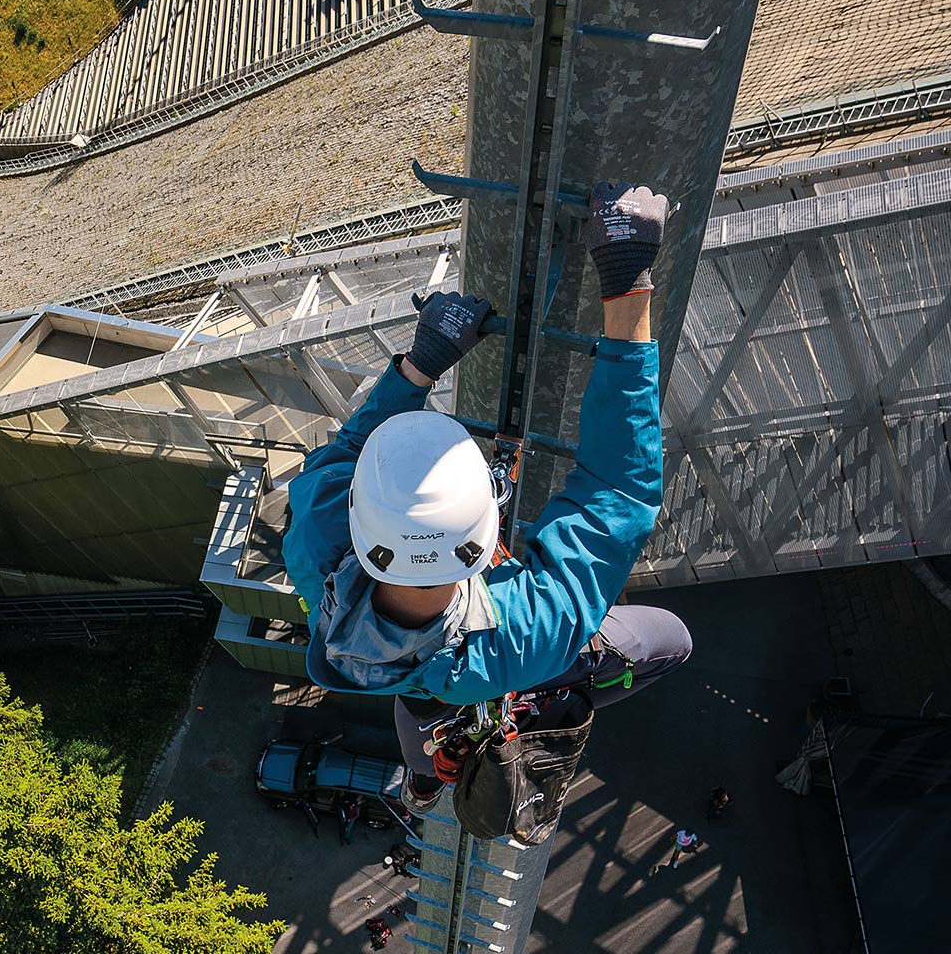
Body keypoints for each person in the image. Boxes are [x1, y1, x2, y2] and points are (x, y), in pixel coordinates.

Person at [284, 181, 693, 810]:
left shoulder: (319, 537)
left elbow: (617, 490)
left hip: (439, 680)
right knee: (672, 640)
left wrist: (626, 277)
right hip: (490, 668)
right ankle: (440, 764)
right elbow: (616, 487)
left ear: (360, 523)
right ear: (485, 535)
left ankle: (424, 780)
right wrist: (424, 361)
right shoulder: (525, 633)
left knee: (422, 705)